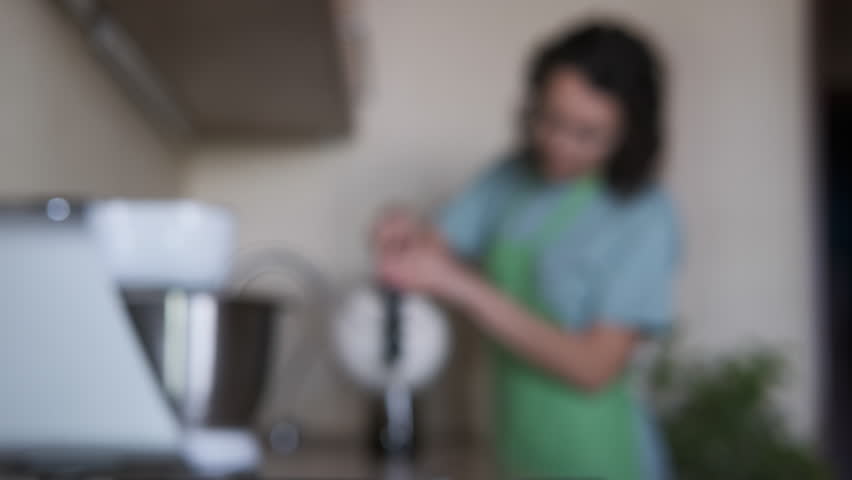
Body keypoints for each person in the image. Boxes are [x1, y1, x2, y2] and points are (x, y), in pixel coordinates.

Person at [374, 21, 678, 480]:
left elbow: (594, 367)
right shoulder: (510, 177)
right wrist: (399, 231)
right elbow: (428, 253)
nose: (558, 143)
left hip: (602, 458)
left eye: (586, 133)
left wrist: (464, 287)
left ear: (628, 134)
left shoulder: (644, 216)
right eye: (549, 119)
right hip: (516, 449)